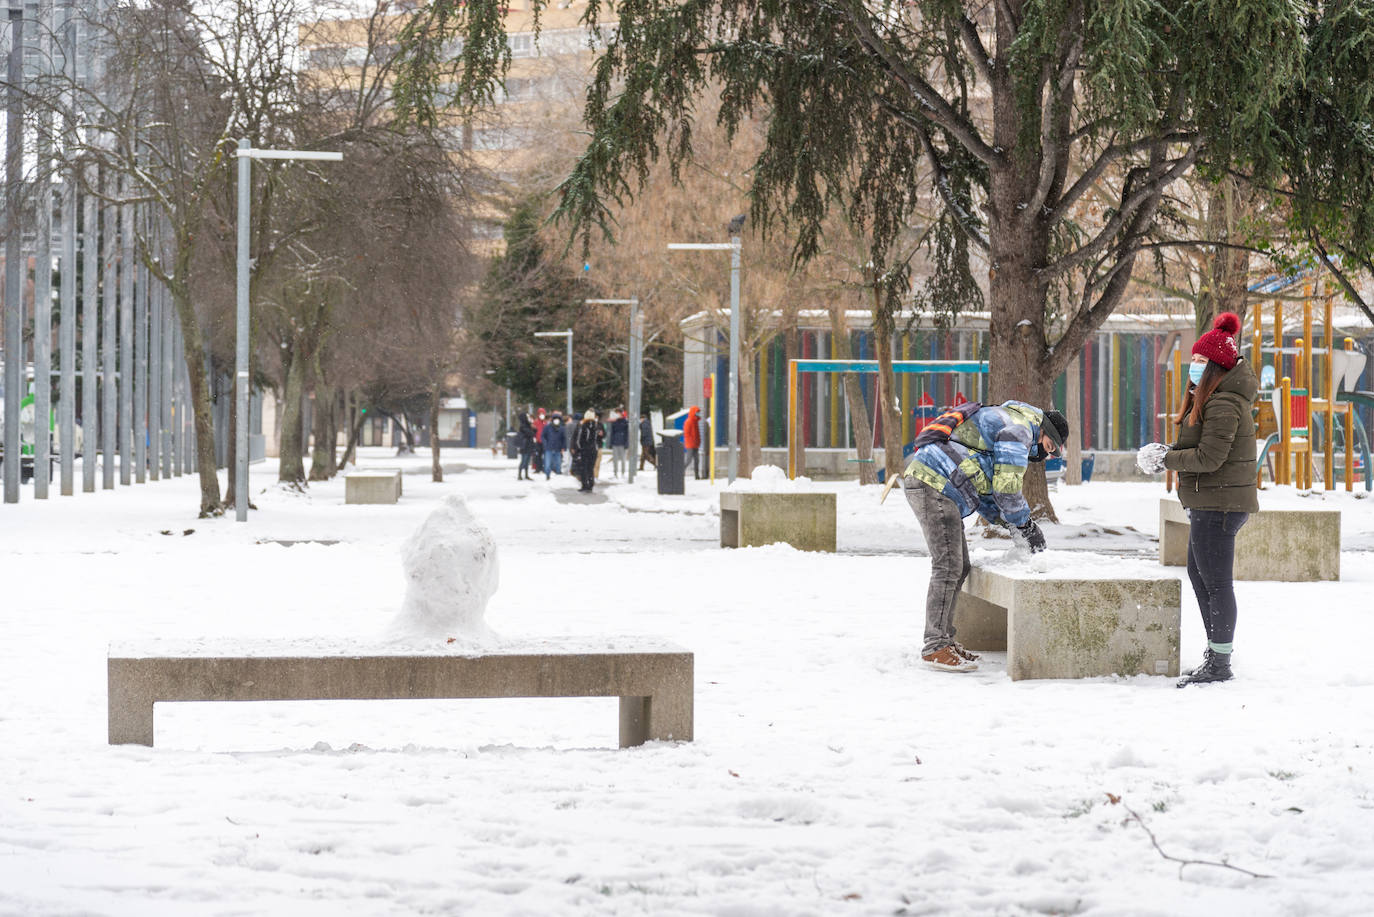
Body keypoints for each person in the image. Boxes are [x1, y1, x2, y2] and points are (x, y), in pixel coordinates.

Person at [896, 400, 1069, 673]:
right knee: (948, 566)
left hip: (939, 484)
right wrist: (1024, 526)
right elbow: (1007, 488)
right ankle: (935, 646)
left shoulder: (1010, 423)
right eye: (1049, 448)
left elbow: (989, 493)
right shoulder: (1020, 430)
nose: (1046, 456)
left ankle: (945, 639)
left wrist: (1013, 526)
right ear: (1044, 431)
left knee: (960, 566)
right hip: (935, 483)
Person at [1136, 312, 1257, 687]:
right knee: (1199, 574)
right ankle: (1215, 651)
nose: (1194, 366)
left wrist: (1165, 460)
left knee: (1217, 582)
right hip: (1211, 502)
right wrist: (1168, 451)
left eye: (1200, 361)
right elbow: (1200, 448)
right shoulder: (1215, 398)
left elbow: (1210, 458)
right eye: (1195, 359)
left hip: (1219, 504)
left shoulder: (1223, 404)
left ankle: (1220, 662)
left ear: (1216, 368)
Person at [572, 409, 600, 492]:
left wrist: (579, 449)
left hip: (585, 450)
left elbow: (579, 439)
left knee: (583, 468)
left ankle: (585, 485)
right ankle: (591, 484)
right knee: (590, 468)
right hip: (593, 450)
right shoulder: (595, 426)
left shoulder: (583, 425)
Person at [541, 413, 566, 478]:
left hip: (558, 448)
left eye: (558, 419)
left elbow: (564, 438)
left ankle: (557, 474)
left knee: (558, 463)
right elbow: (543, 436)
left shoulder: (561, 428)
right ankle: (547, 474)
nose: (556, 421)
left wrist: (563, 447)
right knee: (547, 464)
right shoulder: (547, 427)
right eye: (555, 419)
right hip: (549, 448)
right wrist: (545, 444)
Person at [609, 408, 630, 478]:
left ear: (621, 413)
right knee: (615, 460)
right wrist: (611, 443)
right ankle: (615, 473)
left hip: (623, 443)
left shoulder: (625, 422)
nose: (617, 414)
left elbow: (627, 434)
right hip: (615, 443)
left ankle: (623, 473)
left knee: (623, 460)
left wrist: (626, 443)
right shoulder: (614, 422)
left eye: (618, 413)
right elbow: (612, 433)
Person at [683, 405, 702, 479]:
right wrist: (693, 441)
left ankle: (697, 475)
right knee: (689, 459)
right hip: (690, 444)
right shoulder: (689, 422)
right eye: (697, 412)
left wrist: (698, 441)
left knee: (696, 460)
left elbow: (697, 433)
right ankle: (681, 471)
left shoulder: (695, 421)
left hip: (695, 444)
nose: (698, 414)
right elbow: (687, 434)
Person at [516, 412, 536, 481]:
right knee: (524, 460)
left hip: (528, 445)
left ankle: (526, 475)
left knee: (527, 461)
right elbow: (530, 433)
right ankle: (520, 475)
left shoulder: (528, 425)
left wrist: (533, 428)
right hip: (525, 445)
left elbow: (534, 432)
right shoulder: (523, 426)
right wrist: (532, 429)